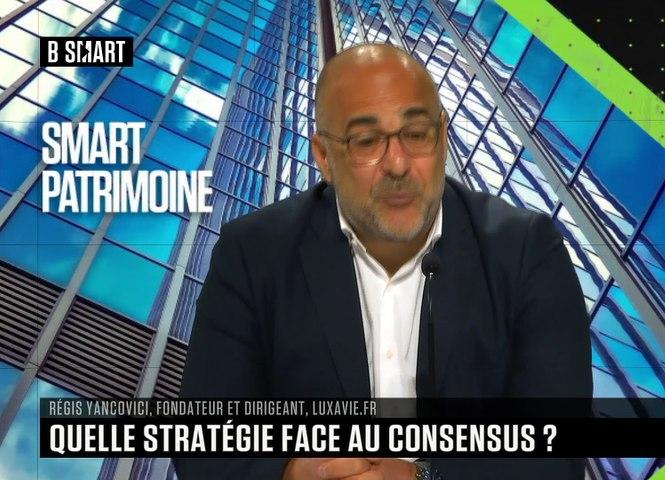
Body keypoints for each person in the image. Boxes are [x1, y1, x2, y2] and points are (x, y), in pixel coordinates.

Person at [175, 43, 591, 479]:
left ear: (443, 136)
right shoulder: (253, 253)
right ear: (324, 157)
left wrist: (422, 477)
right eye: (367, 141)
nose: (397, 164)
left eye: (416, 134)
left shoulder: (526, 251)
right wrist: (296, 472)